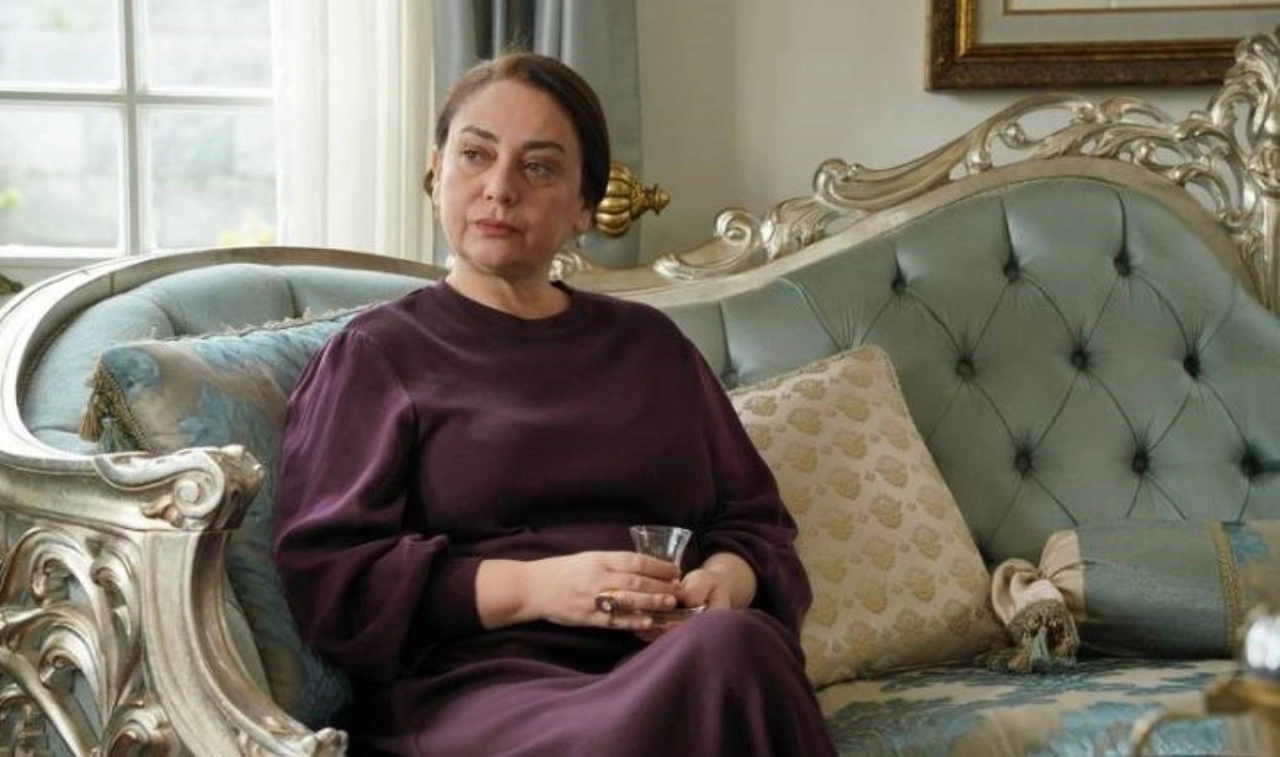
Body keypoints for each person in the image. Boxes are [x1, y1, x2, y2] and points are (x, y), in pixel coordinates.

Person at [272, 52, 839, 757]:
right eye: (475, 155)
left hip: (675, 657)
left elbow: (754, 523)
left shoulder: (652, 347)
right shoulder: (376, 354)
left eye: (538, 167)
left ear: (583, 208)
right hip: (479, 688)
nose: (499, 188)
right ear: (436, 172)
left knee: (738, 645)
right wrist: (539, 587)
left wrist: (725, 582)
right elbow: (332, 579)